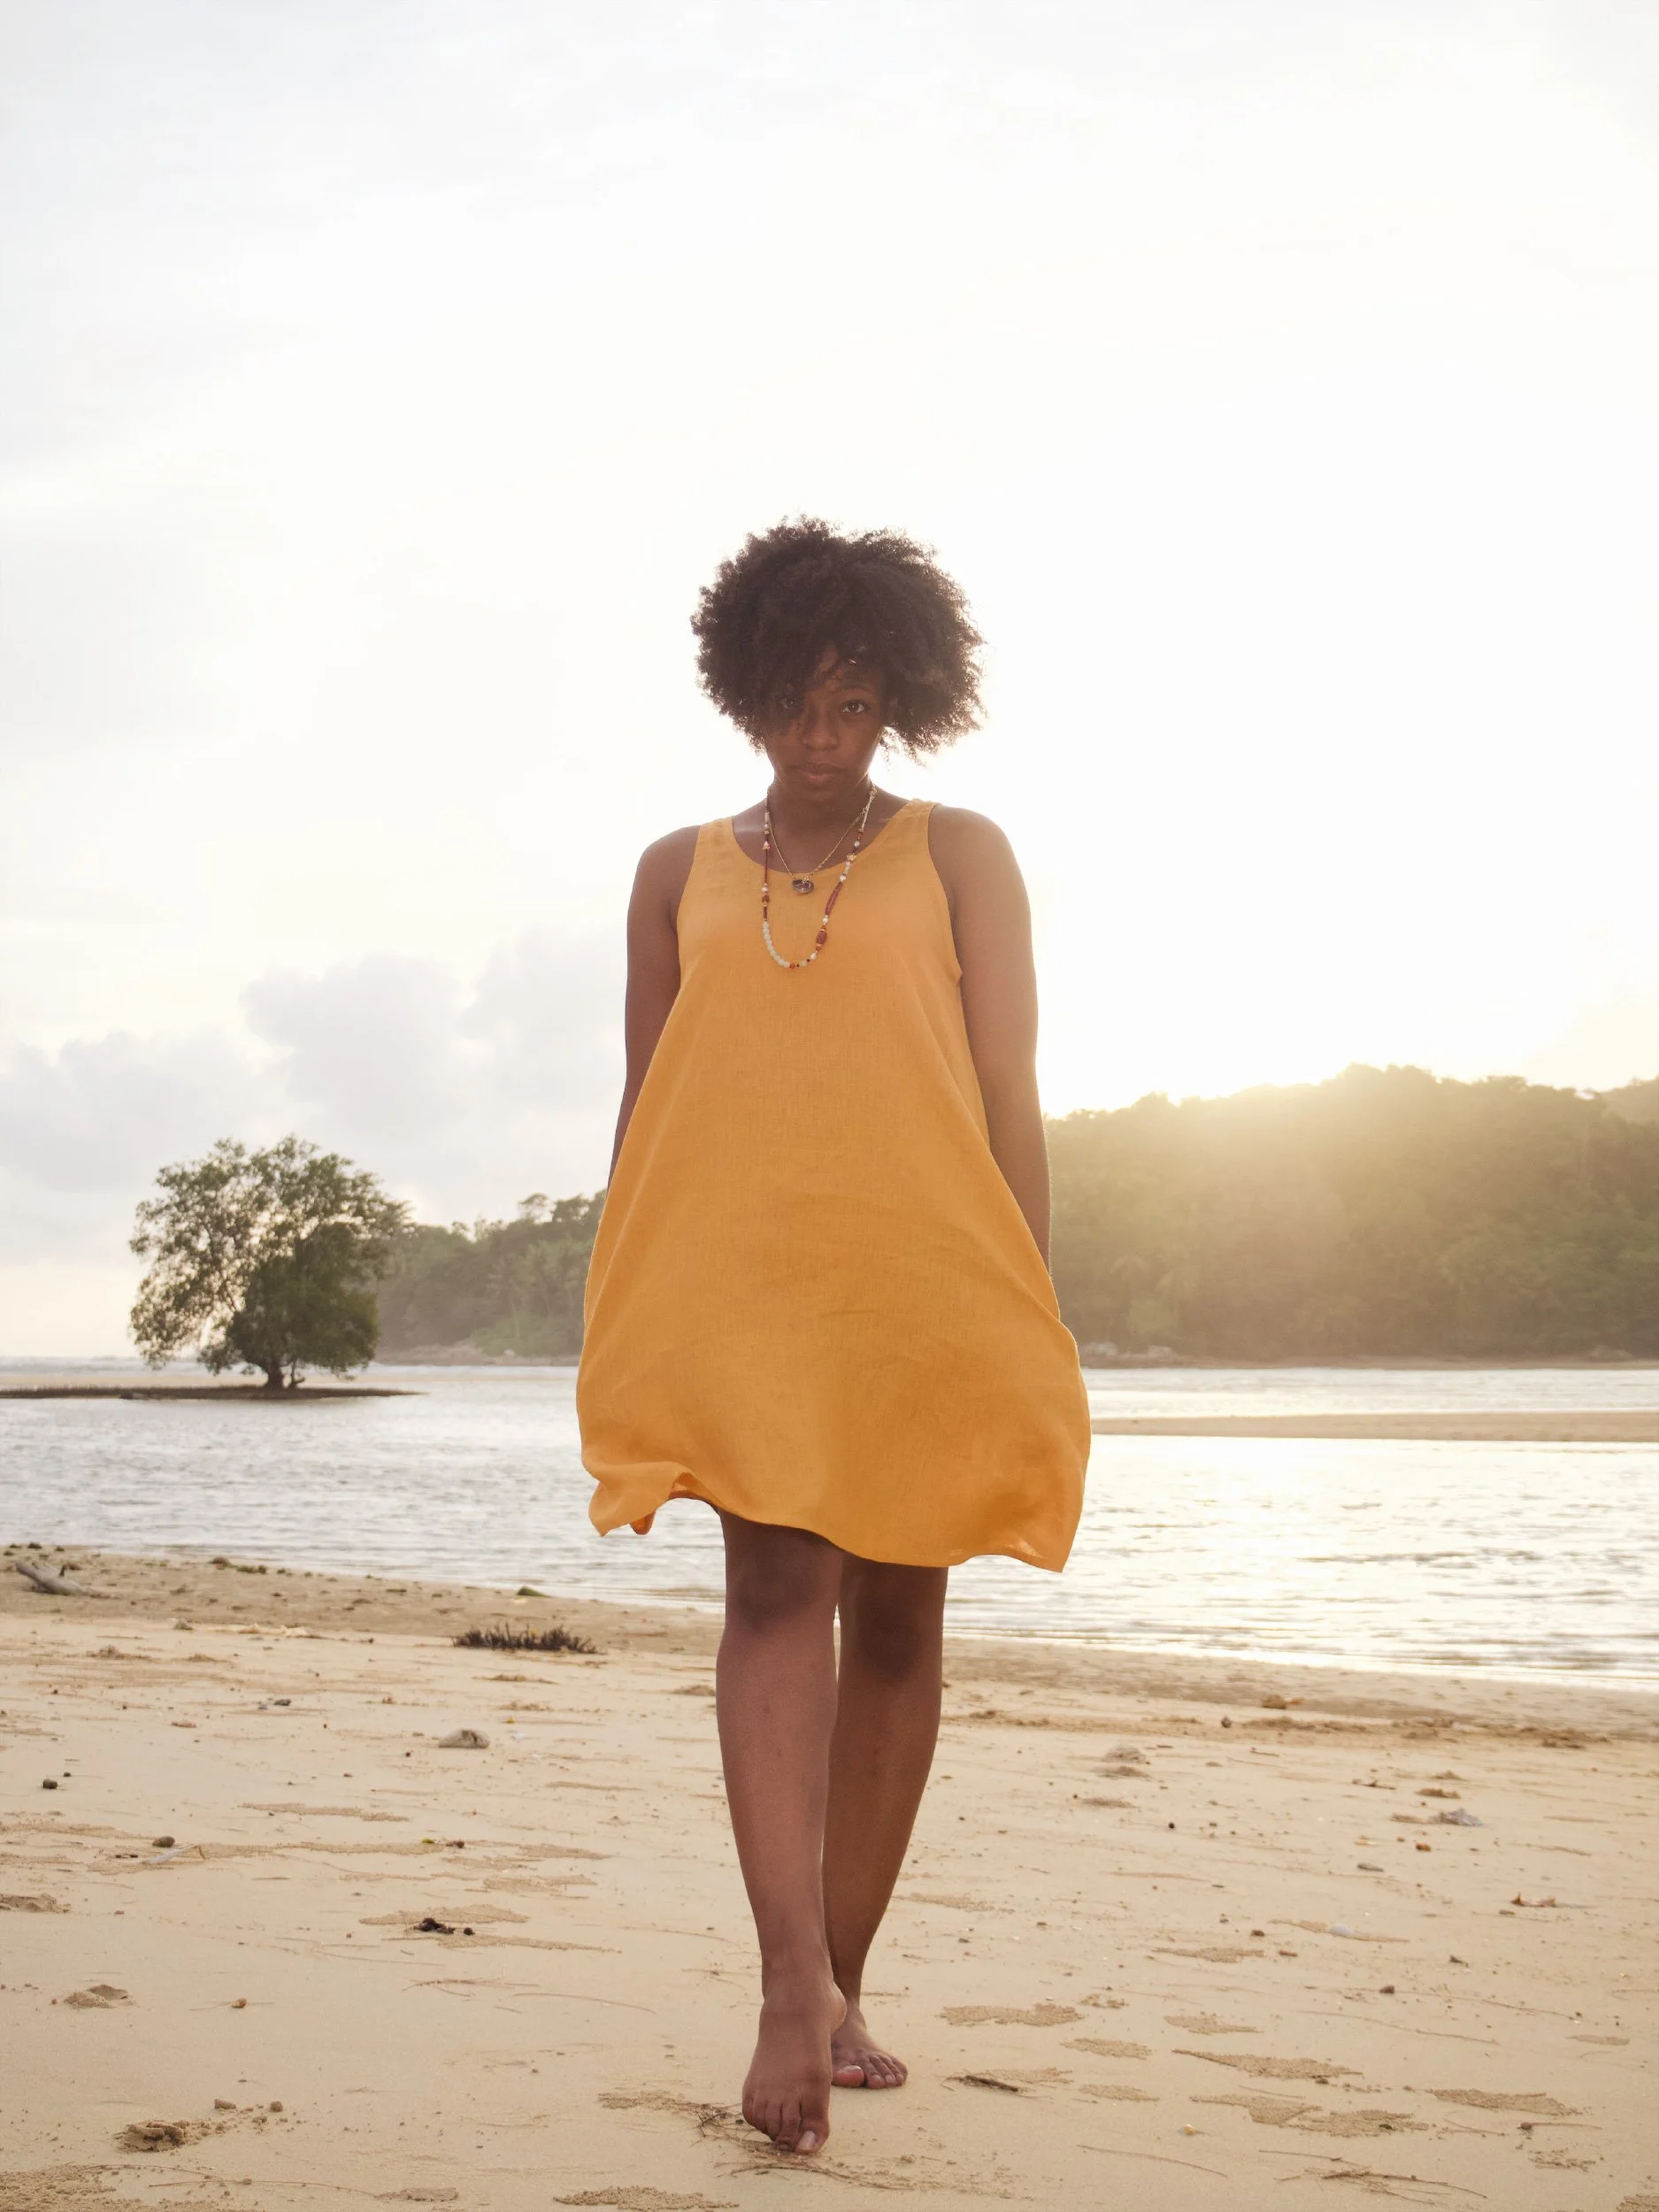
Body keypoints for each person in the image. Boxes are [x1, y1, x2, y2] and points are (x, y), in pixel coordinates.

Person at [578, 518, 1088, 2154]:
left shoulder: (961, 854)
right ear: (743, 694)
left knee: (902, 1621)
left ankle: (842, 1977)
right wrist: (622, 1290)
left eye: (853, 704)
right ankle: (786, 1984)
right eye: (795, 702)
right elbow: (647, 1104)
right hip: (741, 1282)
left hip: (926, 1278)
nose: (820, 736)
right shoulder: (675, 872)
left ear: (899, 704)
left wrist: (1029, 1302)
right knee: (774, 1590)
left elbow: (1006, 1090)